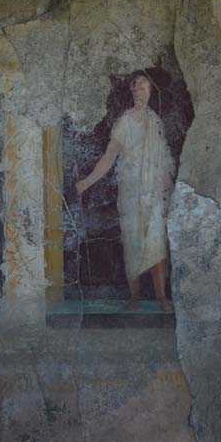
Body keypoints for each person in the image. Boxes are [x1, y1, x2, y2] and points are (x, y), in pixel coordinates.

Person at [75, 74, 175, 311]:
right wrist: (87, 182)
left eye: (143, 86)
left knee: (157, 243)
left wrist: (172, 190)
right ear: (132, 92)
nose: (139, 90)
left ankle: (161, 295)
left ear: (151, 91)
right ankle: (135, 295)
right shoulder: (125, 121)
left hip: (153, 194)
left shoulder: (156, 122)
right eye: (136, 86)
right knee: (132, 243)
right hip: (130, 192)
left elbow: (164, 161)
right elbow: (110, 156)